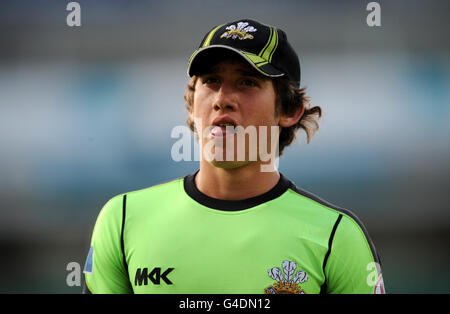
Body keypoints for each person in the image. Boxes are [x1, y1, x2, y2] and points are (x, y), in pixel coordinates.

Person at [82, 19, 385, 294]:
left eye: (247, 82)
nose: (222, 99)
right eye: (211, 81)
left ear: (290, 110)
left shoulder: (336, 236)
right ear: (191, 105)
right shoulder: (122, 220)